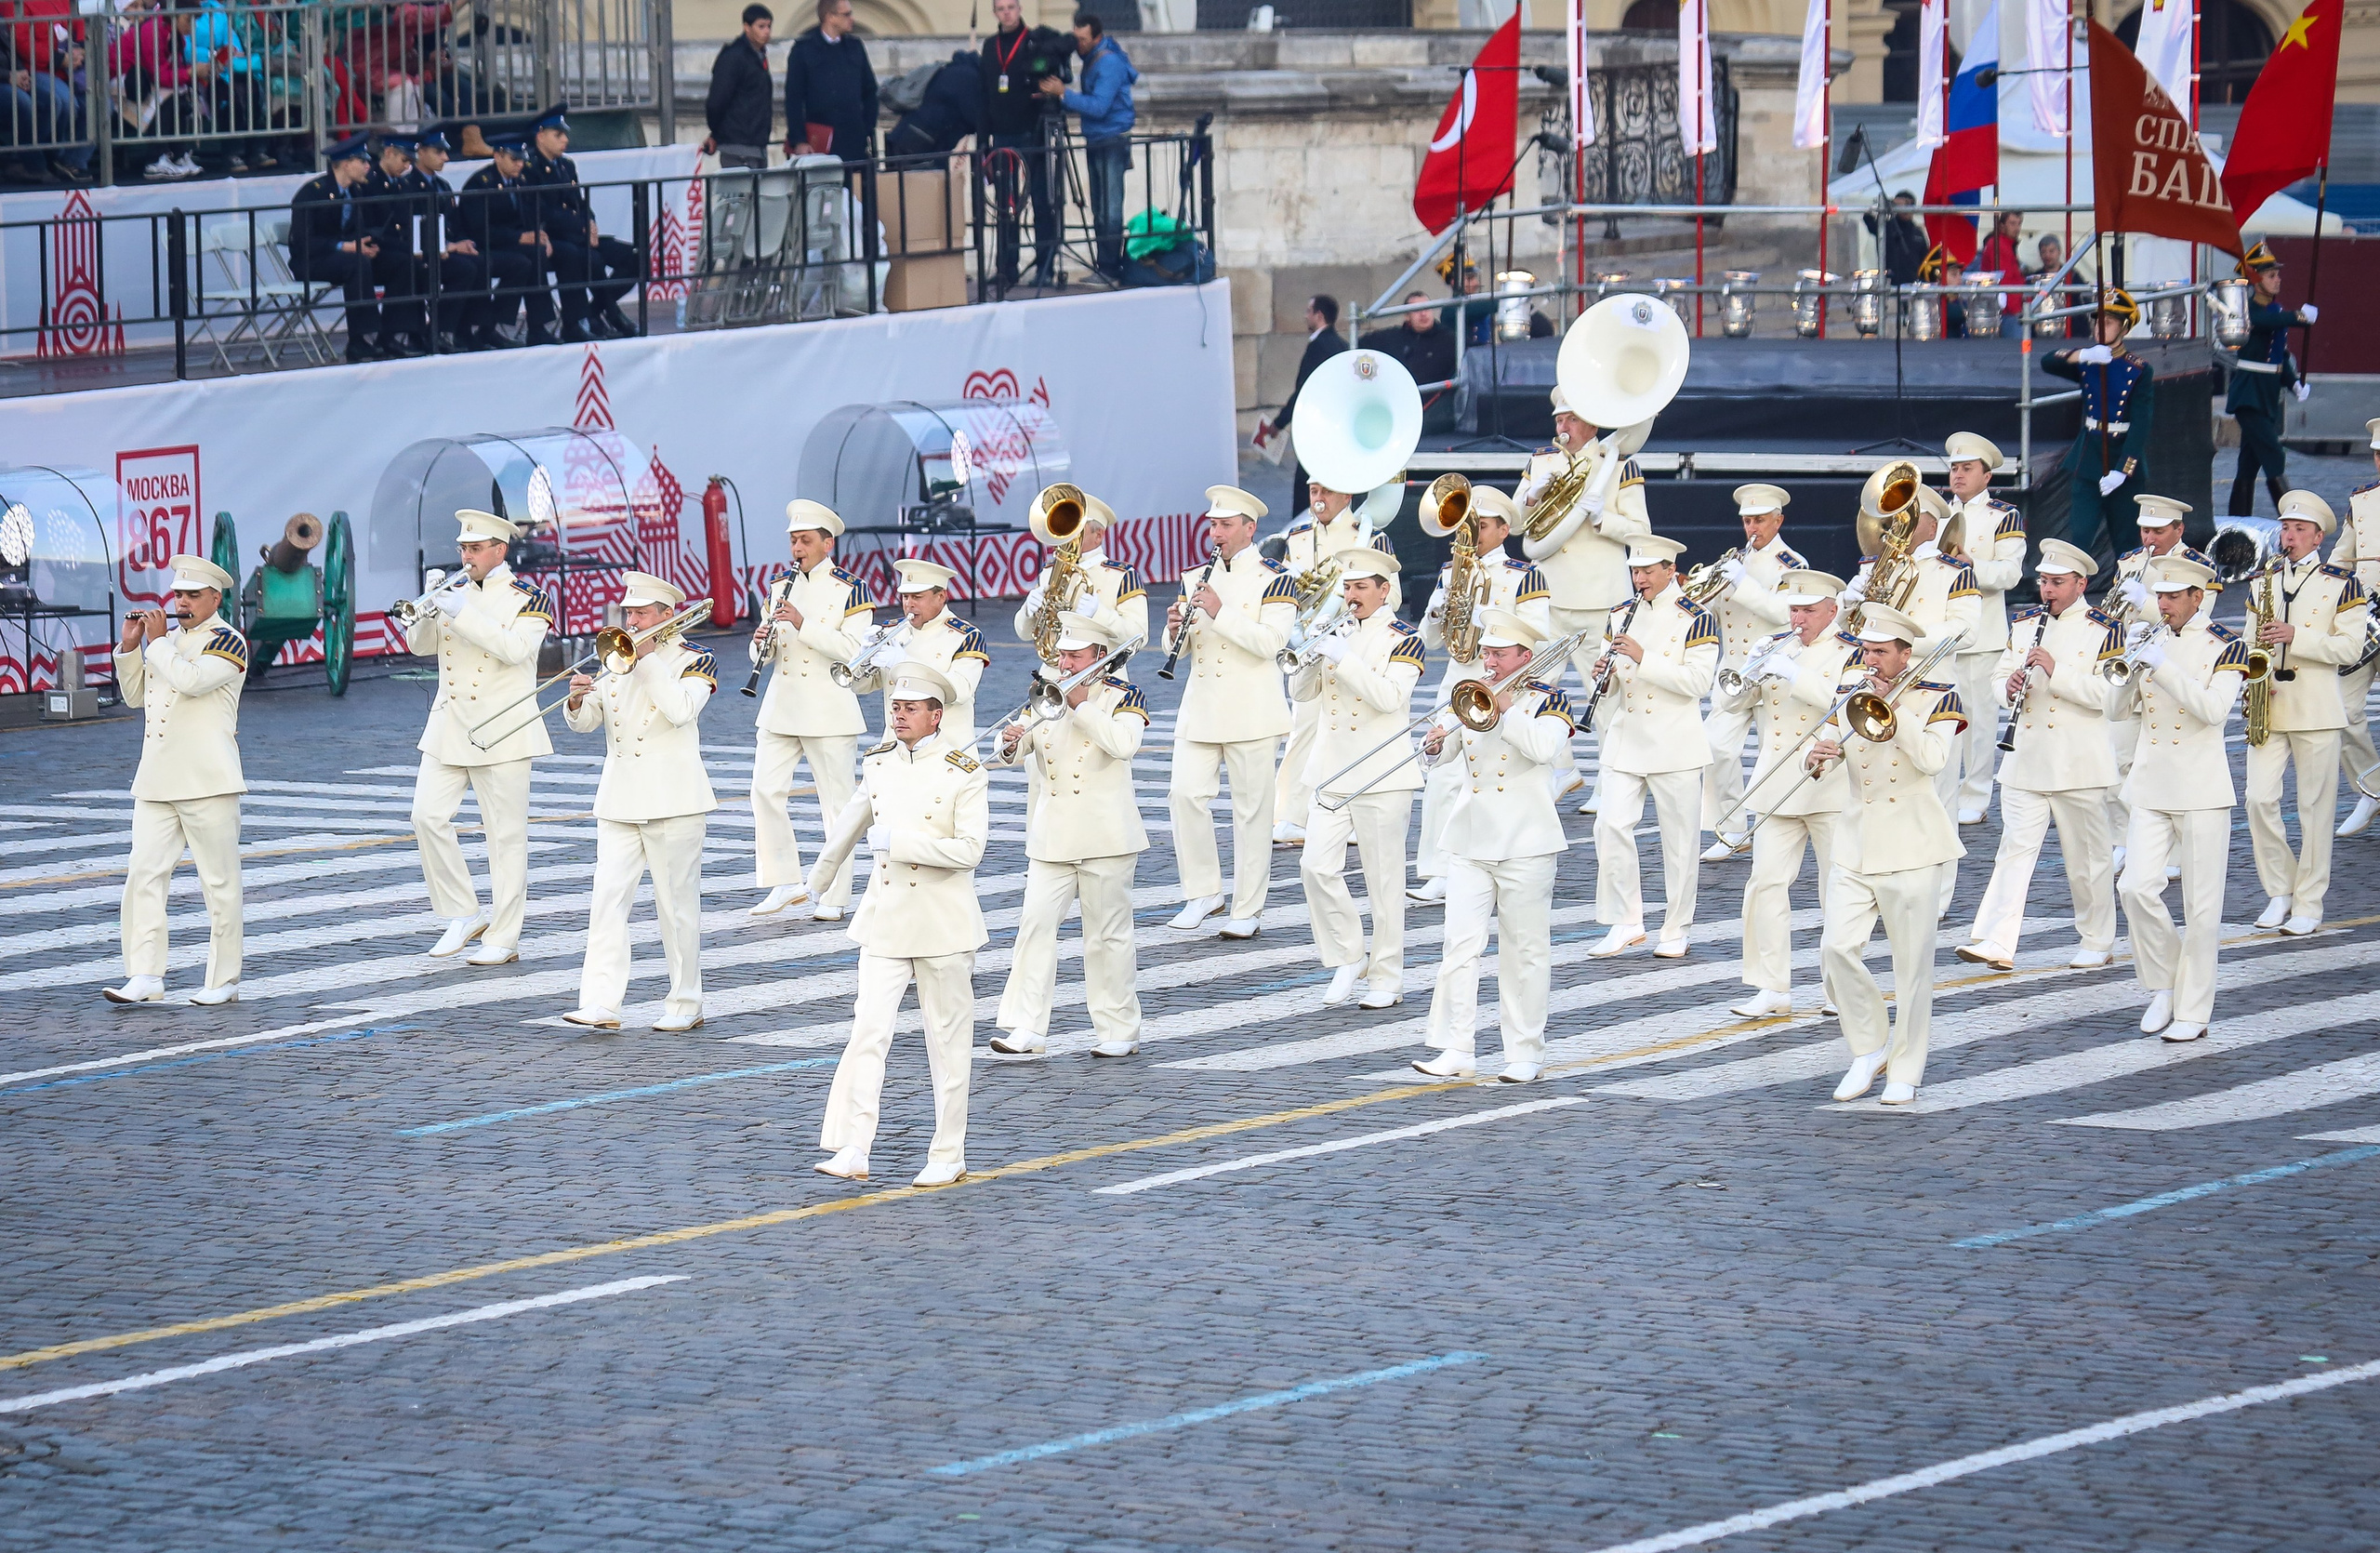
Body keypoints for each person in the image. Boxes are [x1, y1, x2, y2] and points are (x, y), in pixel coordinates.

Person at [809, 659, 987, 1187]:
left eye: (911, 708)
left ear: (937, 716)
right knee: (867, 1032)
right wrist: (817, 879)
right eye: (896, 707)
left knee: (947, 1043)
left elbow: (971, 850)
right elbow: (852, 818)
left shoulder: (965, 771)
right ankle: (854, 1146)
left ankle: (947, 1153)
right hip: (885, 918)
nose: (899, 715)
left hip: (942, 922)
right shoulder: (880, 762)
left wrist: (903, 844)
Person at [1409, 609, 1575, 1082]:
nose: (1490, 662)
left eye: (1499, 655)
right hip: (1471, 835)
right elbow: (1445, 763)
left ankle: (1525, 1052)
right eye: (1487, 653)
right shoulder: (1470, 695)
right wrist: (1436, 745)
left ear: (1525, 656)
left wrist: (1508, 709)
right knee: (1458, 946)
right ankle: (1455, 1045)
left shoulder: (1550, 700)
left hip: (1526, 839)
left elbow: (1546, 750)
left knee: (1524, 951)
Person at [1814, 603, 1966, 1106]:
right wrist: (1818, 759)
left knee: (1912, 967)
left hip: (1914, 843)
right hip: (1856, 840)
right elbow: (1826, 755)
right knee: (1836, 947)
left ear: (1905, 653)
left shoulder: (1939, 697)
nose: (1871, 661)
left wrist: (1894, 713)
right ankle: (1868, 1047)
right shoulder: (1847, 692)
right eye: (1866, 650)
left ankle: (1906, 1067)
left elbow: (1933, 761)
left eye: (1881, 652)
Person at [559, 573, 716, 1033]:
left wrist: (647, 662)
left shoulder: (694, 658)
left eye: (641, 613)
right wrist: (577, 703)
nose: (630, 619)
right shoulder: (616, 659)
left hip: (674, 800)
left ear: (667, 616)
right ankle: (600, 1002)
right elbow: (594, 724)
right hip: (620, 798)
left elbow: (682, 710)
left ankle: (686, 1002)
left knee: (676, 907)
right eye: (628, 612)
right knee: (606, 901)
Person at [1957, 539, 2122, 973]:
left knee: (2087, 861)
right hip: (2025, 756)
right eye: (2044, 581)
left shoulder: (2105, 628)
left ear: (2081, 583)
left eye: (2057, 582)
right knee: (2013, 852)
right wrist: (2006, 685)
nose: (2047, 590)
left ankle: (2097, 938)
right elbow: (1997, 675)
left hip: (2078, 763)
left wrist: (2056, 670)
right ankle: (1997, 940)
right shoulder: (2026, 622)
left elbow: (2109, 696)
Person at [989, 614, 1148, 1058]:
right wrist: (1011, 741)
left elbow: (1123, 744)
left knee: (1107, 935)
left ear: (1100, 658)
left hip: (1106, 835)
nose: (1064, 662)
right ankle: (1026, 1026)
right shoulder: (1046, 693)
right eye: (1062, 654)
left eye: (1074, 656)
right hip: (1053, 833)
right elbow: (1017, 751)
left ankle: (1118, 1029)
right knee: (1034, 927)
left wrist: (1081, 705)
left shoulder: (1124, 695)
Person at [404, 509, 553, 966]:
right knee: (426, 817)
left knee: (504, 838)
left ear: (499, 550)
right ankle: (463, 912)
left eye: (474, 548)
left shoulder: (529, 598)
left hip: (503, 726)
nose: (465, 556)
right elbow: (420, 646)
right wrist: (429, 606)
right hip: (449, 724)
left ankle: (504, 936)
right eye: (462, 549)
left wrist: (462, 612)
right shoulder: (457, 593)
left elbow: (516, 650)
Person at [2119, 554, 2251, 1044]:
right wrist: (2131, 664)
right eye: (2161, 596)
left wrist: (2164, 667)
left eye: (2174, 596)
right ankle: (2165, 983)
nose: (2165, 605)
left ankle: (2193, 1008)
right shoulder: (2152, 640)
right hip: (2152, 783)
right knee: (2134, 887)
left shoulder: (2226, 644)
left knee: (2201, 908)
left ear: (2198, 597)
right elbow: (2116, 709)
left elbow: (2214, 710)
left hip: (2200, 787)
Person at [103, 554, 245, 1007]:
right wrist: (129, 649)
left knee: (218, 883)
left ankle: (223, 979)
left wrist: (157, 642)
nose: (181, 602)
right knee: (142, 875)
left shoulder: (228, 640)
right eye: (177, 594)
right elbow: (134, 696)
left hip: (208, 779)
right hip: (157, 778)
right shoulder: (163, 642)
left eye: (191, 596)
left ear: (214, 599)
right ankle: (145, 973)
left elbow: (190, 681)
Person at [1291, 550, 1426, 1010]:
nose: (1350, 597)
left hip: (1382, 771)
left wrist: (1345, 658)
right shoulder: (1338, 632)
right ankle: (1349, 954)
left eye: (1360, 588)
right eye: (1346, 588)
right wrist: (1312, 652)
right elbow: (1299, 692)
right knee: (1315, 866)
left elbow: (1389, 697)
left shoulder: (1404, 639)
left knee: (1384, 882)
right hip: (1331, 769)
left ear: (1384, 590)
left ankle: (1387, 976)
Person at [1164, 484, 1298, 938]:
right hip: (1200, 708)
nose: (1216, 533)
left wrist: (1221, 613)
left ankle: (1248, 907)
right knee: (1184, 795)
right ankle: (1204, 892)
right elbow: (1181, 652)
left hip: (1252, 711)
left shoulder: (1275, 577)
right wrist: (1172, 633)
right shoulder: (1193, 578)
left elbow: (1271, 643)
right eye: (1212, 525)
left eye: (1224, 525)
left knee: (1252, 812)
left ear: (1249, 528)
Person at [1726, 570, 1856, 1018]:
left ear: (1832, 611)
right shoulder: (1777, 644)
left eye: (1808, 610)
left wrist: (1795, 673)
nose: (1798, 618)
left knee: (1835, 890)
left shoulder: (1852, 652)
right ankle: (1771, 985)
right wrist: (1752, 671)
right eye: (1794, 609)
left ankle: (1840, 990)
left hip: (1829, 781)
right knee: (1764, 885)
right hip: (1776, 782)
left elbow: (1849, 704)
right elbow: (1730, 703)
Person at [1409, 484, 1548, 905]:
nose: (1473, 532)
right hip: (1459, 679)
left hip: (1502, 685)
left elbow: (1538, 638)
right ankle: (1437, 869)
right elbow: (1429, 640)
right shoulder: (1450, 572)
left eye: (1482, 526)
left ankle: (1485, 862)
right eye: (1470, 525)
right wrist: (1437, 609)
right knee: (1441, 774)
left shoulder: (1524, 576)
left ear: (1504, 530)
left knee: (1488, 777)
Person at [2242, 490, 2369, 936]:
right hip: (2270, 705)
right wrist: (2249, 679)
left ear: (2318, 538)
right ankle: (2279, 889)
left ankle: (2309, 903)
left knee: (2315, 810)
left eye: (2299, 530)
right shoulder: (2263, 581)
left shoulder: (2341, 583)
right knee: (2258, 799)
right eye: (2285, 528)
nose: (2288, 536)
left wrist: (2298, 635)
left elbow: (2350, 649)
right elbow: (2249, 642)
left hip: (2316, 709)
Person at [1588, 534, 1720, 960]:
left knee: (1680, 842)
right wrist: (1603, 678)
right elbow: (1614, 685)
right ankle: (1627, 920)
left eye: (1647, 571)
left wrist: (1644, 657)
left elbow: (1698, 683)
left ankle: (1676, 926)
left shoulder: (1695, 617)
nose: (1639, 578)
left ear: (1669, 570)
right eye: (1634, 571)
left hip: (1675, 742)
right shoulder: (1619, 614)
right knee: (1609, 825)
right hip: (1626, 738)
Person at [1520, 386, 1652, 813]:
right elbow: (1518, 523)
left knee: (1606, 692)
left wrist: (1603, 517)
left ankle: (1608, 782)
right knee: (1534, 686)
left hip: (1599, 596)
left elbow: (1641, 529)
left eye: (1571, 420)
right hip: (1550, 592)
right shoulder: (1541, 461)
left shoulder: (1617, 464)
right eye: (1559, 420)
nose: (1563, 428)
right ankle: (1563, 770)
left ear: (1592, 423)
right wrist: (1532, 495)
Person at [748, 499, 877, 923]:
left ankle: (835, 894)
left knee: (837, 803)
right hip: (781, 703)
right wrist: (760, 640)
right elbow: (763, 652)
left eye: (805, 540)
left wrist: (803, 623)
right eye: (793, 540)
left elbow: (853, 650)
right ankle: (784, 881)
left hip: (828, 705)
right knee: (764, 790)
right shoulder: (778, 585)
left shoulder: (851, 588)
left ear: (827, 543)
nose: (797, 548)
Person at [1273, 471, 1396, 844]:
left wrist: (1346, 608)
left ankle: (1356, 813)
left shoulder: (1371, 536)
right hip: (1309, 642)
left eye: (1326, 490)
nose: (1318, 498)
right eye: (1313, 490)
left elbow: (1393, 596)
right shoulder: (1296, 537)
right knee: (1304, 726)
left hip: (1357, 642)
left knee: (1356, 726)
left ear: (1347, 495)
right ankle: (1290, 814)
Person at [2100, 493, 2211, 867]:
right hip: (2134, 672)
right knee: (2118, 762)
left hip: (2175, 670)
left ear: (2178, 529)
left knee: (2171, 763)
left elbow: (2199, 617)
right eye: (2145, 530)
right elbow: (2119, 617)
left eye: (2158, 531)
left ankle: (2176, 851)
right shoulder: (2130, 562)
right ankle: (2123, 838)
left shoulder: (2197, 567)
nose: (2149, 538)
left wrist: (2146, 601)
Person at [1698, 483, 1805, 857]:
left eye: (1759, 519)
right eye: (1746, 521)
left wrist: (1742, 583)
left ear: (1779, 520)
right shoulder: (1732, 562)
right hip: (1733, 670)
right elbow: (1709, 610)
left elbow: (1782, 614)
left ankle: (1775, 827)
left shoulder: (1792, 564)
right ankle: (1732, 830)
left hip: (1773, 670)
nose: (1752, 528)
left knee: (1772, 751)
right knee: (1715, 747)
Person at [1941, 432, 2027, 823]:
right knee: (1942, 716)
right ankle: (1944, 792)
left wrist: (1970, 563)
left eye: (1967, 469)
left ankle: (1975, 794)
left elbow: (2010, 573)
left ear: (1987, 476)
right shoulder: (1937, 512)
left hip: (1982, 631)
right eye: (1955, 468)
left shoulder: (2002, 515)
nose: (1958, 475)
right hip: (1941, 633)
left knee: (1977, 721)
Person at [2043, 287, 2155, 562]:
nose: (2099, 327)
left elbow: (2141, 425)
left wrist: (2122, 471)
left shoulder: (2139, 370)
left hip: (2121, 459)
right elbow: (2048, 362)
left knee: (2127, 543)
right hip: (2089, 455)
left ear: (2124, 327)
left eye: (2108, 322)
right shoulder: (2089, 361)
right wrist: (2081, 355)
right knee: (2079, 538)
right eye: (2097, 321)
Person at [1038, 10, 1135, 280]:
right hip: (1098, 138)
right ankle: (1105, 265)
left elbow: (1100, 107)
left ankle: (1110, 267)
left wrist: (1063, 94)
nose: (1078, 45)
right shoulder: (1095, 58)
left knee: (1109, 208)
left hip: (1111, 139)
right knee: (1100, 207)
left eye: (1083, 40)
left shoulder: (1108, 63)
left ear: (1097, 37)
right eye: (1076, 39)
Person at [526, 107, 638, 342]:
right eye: (558, 135)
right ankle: (596, 318)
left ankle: (595, 311)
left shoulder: (567, 165)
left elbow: (580, 202)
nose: (565, 140)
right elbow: (544, 211)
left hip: (579, 236)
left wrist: (591, 222)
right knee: (585, 258)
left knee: (636, 257)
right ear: (540, 135)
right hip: (557, 240)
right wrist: (581, 226)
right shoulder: (531, 169)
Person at [980, 0, 1069, 292]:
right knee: (1006, 205)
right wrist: (984, 142)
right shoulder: (990, 46)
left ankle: (1045, 264)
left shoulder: (1036, 41)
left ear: (1019, 9)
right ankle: (1007, 267)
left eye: (1012, 7)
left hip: (1033, 132)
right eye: (1001, 8)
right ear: (995, 13)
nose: (1007, 12)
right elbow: (984, 93)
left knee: (1042, 201)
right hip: (1002, 135)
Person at [850, 558, 987, 744]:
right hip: (896, 748)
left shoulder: (965, 636)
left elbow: (961, 690)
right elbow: (860, 687)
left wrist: (905, 664)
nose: (909, 604)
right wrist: (864, 655)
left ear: (941, 597)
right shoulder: (891, 631)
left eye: (917, 597)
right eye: (905, 597)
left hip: (946, 748)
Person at [2225, 242, 2316, 519]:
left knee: (2249, 464)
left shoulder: (2275, 312)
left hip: (2266, 394)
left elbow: (2280, 354)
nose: (2278, 280)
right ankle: (2292, 520)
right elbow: (2261, 322)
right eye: (2271, 275)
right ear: (2255, 280)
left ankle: (2237, 522)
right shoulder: (2247, 310)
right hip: (2249, 395)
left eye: (2277, 274)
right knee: (2274, 455)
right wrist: (2299, 316)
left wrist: (2293, 382)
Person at [1012, 493, 1147, 673]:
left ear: (1098, 535)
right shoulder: (1049, 571)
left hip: (1102, 677)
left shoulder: (1121, 575)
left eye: (1076, 530)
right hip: (1054, 675)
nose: (1066, 535)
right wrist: (1027, 611)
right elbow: (1024, 633)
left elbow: (1139, 636)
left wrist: (1099, 614)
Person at [288, 133, 383, 364]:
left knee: (398, 261)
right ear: (346, 163)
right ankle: (362, 338)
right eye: (362, 162)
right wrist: (344, 247)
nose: (367, 167)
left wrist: (365, 245)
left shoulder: (356, 192)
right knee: (356, 263)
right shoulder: (313, 192)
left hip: (344, 258)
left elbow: (356, 230)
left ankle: (396, 332)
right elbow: (303, 241)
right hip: (312, 261)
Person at [2329, 418, 2380, 838]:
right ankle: (2372, 787)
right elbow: (2341, 561)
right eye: (2378, 454)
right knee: (2343, 709)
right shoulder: (2361, 501)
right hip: (2363, 617)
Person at [458, 134, 558, 347]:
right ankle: (488, 326)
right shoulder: (481, 183)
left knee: (536, 254)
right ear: (498, 156)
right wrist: (519, 237)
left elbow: (534, 214)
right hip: (486, 245)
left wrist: (541, 236)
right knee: (520, 263)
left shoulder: (520, 182)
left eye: (522, 160)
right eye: (514, 159)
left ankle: (537, 328)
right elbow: (478, 229)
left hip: (512, 244)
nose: (520, 165)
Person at [405, 127, 496, 352]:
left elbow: (455, 224)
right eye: (438, 152)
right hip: (423, 254)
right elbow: (413, 227)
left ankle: (467, 329)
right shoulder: (408, 186)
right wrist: (449, 246)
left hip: (447, 250)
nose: (445, 158)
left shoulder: (442, 186)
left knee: (480, 262)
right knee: (463, 270)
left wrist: (464, 243)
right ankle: (439, 330)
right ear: (421, 152)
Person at [1265, 295, 1348, 517]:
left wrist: (1279, 423)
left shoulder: (1319, 346)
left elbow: (1304, 391)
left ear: (1318, 315)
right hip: (1337, 426)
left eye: (1308, 311)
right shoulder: (1342, 344)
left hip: (1318, 426)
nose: (1305, 316)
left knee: (1307, 483)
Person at [784, 0, 876, 164]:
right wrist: (799, 140)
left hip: (853, 139)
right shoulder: (803, 49)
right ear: (830, 17)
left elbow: (869, 90)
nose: (851, 18)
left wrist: (866, 128)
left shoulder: (855, 47)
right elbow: (794, 98)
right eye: (846, 14)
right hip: (819, 141)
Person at [1360, 294, 1459, 431]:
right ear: (1407, 316)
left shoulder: (1449, 339)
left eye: (1427, 308)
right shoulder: (1392, 337)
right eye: (1417, 310)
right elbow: (1358, 346)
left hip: (1434, 415)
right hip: (1396, 410)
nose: (1424, 314)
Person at [704, 4, 774, 171]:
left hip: (755, 144)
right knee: (739, 195)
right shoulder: (734, 57)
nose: (767, 32)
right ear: (747, 27)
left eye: (769, 26)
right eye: (761, 26)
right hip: (738, 145)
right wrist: (717, 132)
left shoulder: (757, 56)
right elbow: (717, 101)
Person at [885, 50, 986, 160]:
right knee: (922, 176)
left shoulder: (950, 69)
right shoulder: (970, 78)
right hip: (922, 141)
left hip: (903, 134)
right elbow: (975, 118)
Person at [1974, 209, 2027, 338]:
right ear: (2002, 225)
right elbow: (2005, 281)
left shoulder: (2004, 245)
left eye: (2019, 224)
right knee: (2015, 351)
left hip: (2010, 309)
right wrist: (2018, 309)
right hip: (2008, 312)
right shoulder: (1999, 246)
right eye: (2012, 223)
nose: (2017, 228)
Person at [1862, 191, 1927, 286]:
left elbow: (1925, 259)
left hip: (1914, 285)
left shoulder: (1917, 232)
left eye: (1909, 204)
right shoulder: (1886, 227)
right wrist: (1888, 204)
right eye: (1903, 205)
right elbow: (1868, 218)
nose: (1906, 209)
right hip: (1890, 285)